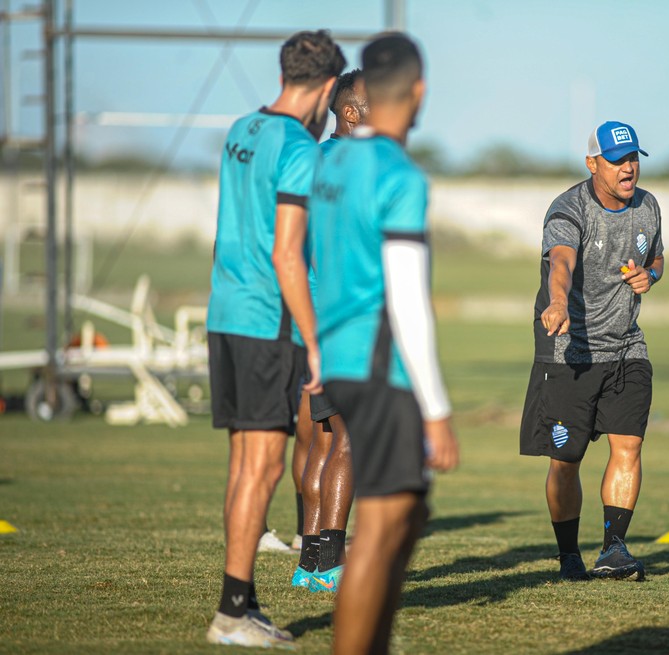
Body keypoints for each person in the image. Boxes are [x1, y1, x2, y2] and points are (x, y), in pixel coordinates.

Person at [308, 33, 459, 654]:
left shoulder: (331, 162)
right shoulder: (402, 176)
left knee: (404, 515)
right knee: (382, 525)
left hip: (337, 357)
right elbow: (407, 301)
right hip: (381, 365)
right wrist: (438, 410)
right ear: (418, 92)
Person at [204, 30, 345, 647]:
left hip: (224, 314)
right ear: (329, 84)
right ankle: (234, 614)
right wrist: (314, 342)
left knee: (245, 467)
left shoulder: (242, 129)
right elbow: (289, 254)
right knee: (259, 468)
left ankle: (239, 605)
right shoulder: (299, 147)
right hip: (268, 323)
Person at [519, 120, 664, 582]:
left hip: (626, 346)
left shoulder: (648, 206)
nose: (629, 167)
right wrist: (557, 300)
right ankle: (568, 556)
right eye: (618, 159)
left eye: (633, 157)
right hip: (570, 352)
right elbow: (561, 260)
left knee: (630, 444)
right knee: (566, 462)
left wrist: (652, 275)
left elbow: (656, 255)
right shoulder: (568, 208)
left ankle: (614, 549)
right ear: (592, 163)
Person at [291, 69, 368, 594]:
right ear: (350, 112)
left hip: (307, 320)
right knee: (351, 439)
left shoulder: (308, 161)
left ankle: (311, 562)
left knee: (322, 442)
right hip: (344, 321)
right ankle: (333, 563)